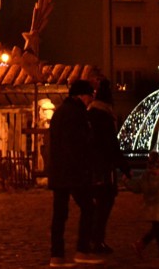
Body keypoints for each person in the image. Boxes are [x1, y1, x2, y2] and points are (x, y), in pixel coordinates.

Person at [48, 79, 104, 268]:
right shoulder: (77, 114)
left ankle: (56, 256)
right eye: (90, 96)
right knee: (89, 208)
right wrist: (88, 170)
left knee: (59, 214)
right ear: (81, 95)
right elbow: (79, 145)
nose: (91, 100)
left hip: (59, 172)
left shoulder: (60, 113)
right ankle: (82, 250)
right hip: (74, 172)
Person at [87, 79, 131, 254]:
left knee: (94, 206)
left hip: (89, 169)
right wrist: (125, 168)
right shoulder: (104, 117)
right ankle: (96, 241)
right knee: (104, 205)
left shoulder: (89, 115)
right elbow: (112, 145)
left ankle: (92, 239)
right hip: (103, 169)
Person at [125, 151, 159, 258]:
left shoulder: (145, 177)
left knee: (157, 229)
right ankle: (143, 245)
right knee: (157, 229)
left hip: (150, 207)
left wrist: (126, 181)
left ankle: (156, 248)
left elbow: (136, 187)